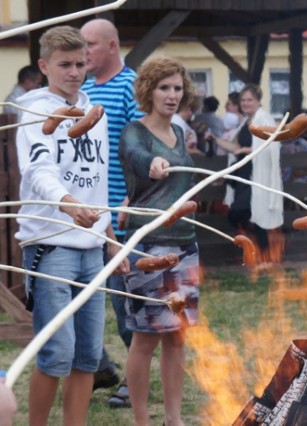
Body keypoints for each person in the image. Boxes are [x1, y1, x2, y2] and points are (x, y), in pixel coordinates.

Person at [15, 25, 127, 425]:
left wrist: (111, 240)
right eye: (65, 64)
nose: (75, 71)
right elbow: (39, 170)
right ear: (44, 65)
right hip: (51, 244)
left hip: (92, 246)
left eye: (81, 63)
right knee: (56, 351)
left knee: (88, 353)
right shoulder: (34, 108)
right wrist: (67, 204)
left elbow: (97, 185)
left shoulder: (96, 111)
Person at [119, 56, 200, 426]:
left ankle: (173, 419)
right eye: (164, 87)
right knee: (146, 338)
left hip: (185, 244)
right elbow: (137, 158)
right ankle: (141, 420)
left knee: (177, 336)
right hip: (149, 245)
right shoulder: (134, 132)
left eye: (177, 88)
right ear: (149, 91)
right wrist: (151, 163)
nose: (171, 95)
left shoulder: (181, 133)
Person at [80, 17, 144, 407]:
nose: (82, 52)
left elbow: (143, 144)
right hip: (86, 215)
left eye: (89, 45)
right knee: (82, 299)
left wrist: (132, 199)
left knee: (124, 303)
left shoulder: (131, 88)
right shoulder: (83, 89)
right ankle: (101, 367)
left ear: (112, 46)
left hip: (122, 216)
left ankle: (131, 379)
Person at [213, 84, 284, 267]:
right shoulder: (246, 123)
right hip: (244, 176)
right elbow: (234, 148)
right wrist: (215, 140)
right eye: (243, 100)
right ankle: (255, 253)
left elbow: (272, 146)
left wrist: (248, 149)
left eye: (249, 99)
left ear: (258, 101)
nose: (245, 103)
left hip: (257, 176)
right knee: (238, 214)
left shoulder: (264, 119)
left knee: (252, 213)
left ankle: (266, 257)